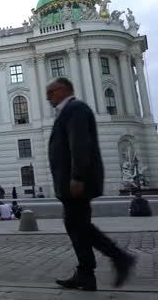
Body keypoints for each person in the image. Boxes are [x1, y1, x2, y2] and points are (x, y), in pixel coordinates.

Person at [47, 77, 135, 291]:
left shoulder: (76, 108)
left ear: (63, 90)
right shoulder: (69, 111)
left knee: (79, 226)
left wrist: (77, 177)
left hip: (76, 182)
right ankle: (86, 274)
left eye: (51, 92)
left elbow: (79, 143)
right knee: (76, 225)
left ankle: (118, 258)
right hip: (71, 181)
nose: (48, 97)